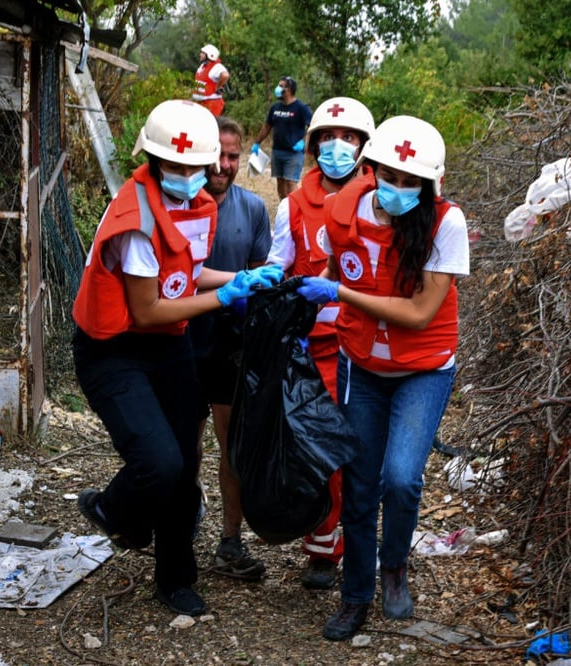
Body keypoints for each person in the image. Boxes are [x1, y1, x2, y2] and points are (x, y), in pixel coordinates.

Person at [72, 99, 282, 617]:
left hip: (167, 343)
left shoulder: (193, 206)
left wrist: (239, 278)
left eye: (196, 167)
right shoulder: (135, 217)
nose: (188, 175)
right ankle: (112, 508)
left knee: (183, 465)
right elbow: (147, 310)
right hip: (113, 348)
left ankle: (174, 577)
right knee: (160, 462)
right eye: (177, 166)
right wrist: (226, 296)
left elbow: (184, 275)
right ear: (153, 160)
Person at [295, 116, 470, 640]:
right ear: (371, 169)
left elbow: (419, 313)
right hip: (362, 364)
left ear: (430, 184)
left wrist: (338, 295)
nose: (396, 188)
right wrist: (309, 292)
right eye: (388, 176)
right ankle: (355, 596)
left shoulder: (446, 224)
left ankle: (394, 566)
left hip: (423, 367)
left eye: (409, 181)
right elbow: (339, 267)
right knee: (360, 481)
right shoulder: (343, 207)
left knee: (401, 476)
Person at [267, 96, 375, 591]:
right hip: (315, 348)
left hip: (370, 345)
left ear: (364, 146)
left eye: (348, 137)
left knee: (365, 452)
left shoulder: (382, 201)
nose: (337, 147)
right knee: (319, 449)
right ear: (312, 147)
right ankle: (322, 549)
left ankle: (363, 548)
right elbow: (277, 263)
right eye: (327, 138)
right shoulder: (293, 205)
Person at [189, 116, 273, 580]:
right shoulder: (180, 206)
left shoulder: (253, 209)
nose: (223, 165)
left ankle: (229, 541)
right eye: (217, 155)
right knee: (185, 444)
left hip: (228, 343)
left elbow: (260, 277)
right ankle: (177, 529)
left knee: (231, 446)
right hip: (179, 337)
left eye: (233, 156)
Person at [251, 76, 313, 200]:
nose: (278, 89)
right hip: (277, 151)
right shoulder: (275, 108)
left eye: (281, 86)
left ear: (289, 90)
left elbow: (312, 126)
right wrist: (257, 143)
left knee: (291, 181)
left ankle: (294, 208)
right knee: (280, 181)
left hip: (293, 153)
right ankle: (283, 208)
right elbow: (267, 126)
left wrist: (303, 142)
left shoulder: (301, 108)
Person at [192, 44, 229, 117]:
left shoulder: (216, 67)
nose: (200, 54)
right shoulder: (203, 66)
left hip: (212, 103)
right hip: (202, 102)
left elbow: (225, 75)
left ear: (210, 55)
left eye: (203, 53)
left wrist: (218, 86)